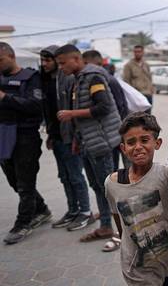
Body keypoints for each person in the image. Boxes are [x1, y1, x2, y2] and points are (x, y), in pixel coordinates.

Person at [105, 112, 168, 285]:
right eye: (131, 142)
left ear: (157, 143)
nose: (138, 147)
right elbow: (117, 215)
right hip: (137, 267)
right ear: (123, 148)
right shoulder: (112, 184)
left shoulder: (167, 176)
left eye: (144, 140)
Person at [55, 44, 121, 245]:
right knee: (97, 186)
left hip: (101, 142)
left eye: (63, 63)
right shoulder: (78, 80)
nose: (61, 68)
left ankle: (122, 232)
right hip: (87, 143)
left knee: (110, 189)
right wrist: (77, 139)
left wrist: (71, 114)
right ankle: (106, 227)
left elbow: (103, 107)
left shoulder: (93, 77)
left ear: (76, 59)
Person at [0, 42, 51, 244]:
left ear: (11, 56)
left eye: (0, 60)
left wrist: (6, 99)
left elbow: (35, 106)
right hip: (4, 135)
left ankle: (23, 222)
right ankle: (42, 209)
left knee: (25, 182)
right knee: (14, 180)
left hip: (25, 137)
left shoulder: (31, 78)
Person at [40, 45, 93, 231]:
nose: (44, 64)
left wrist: (75, 137)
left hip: (70, 137)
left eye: (49, 60)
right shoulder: (46, 80)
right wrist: (50, 134)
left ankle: (85, 212)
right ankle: (72, 210)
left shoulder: (70, 80)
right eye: (43, 60)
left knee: (75, 175)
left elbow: (73, 109)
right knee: (64, 176)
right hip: (56, 136)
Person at [82, 50, 130, 171]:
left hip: (115, 131)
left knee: (116, 170)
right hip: (115, 131)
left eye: (85, 63)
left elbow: (119, 106)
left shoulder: (104, 79)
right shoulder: (104, 78)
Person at [123, 45, 153, 114]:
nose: (137, 53)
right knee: (138, 118)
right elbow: (126, 82)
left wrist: (151, 89)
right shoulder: (128, 65)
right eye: (135, 52)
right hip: (137, 96)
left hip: (148, 94)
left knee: (148, 117)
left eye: (139, 51)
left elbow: (150, 78)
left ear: (143, 52)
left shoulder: (146, 65)